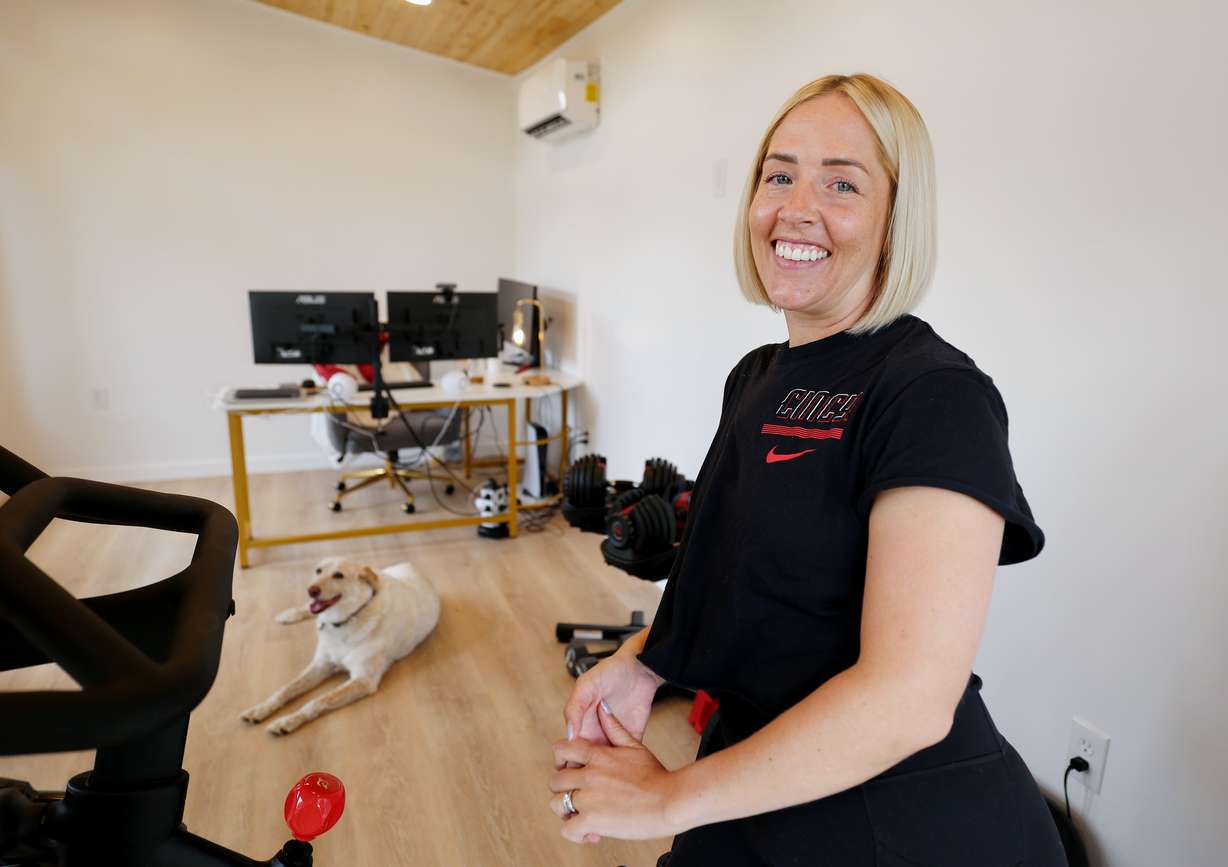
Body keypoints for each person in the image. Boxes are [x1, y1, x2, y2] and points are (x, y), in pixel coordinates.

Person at [547, 73, 1068, 866]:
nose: (796, 206)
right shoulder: (757, 376)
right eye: (779, 174)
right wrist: (647, 659)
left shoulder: (936, 394)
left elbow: (909, 699)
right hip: (758, 778)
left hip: (899, 819)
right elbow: (742, 580)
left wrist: (667, 796)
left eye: (842, 182)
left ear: (897, 218)